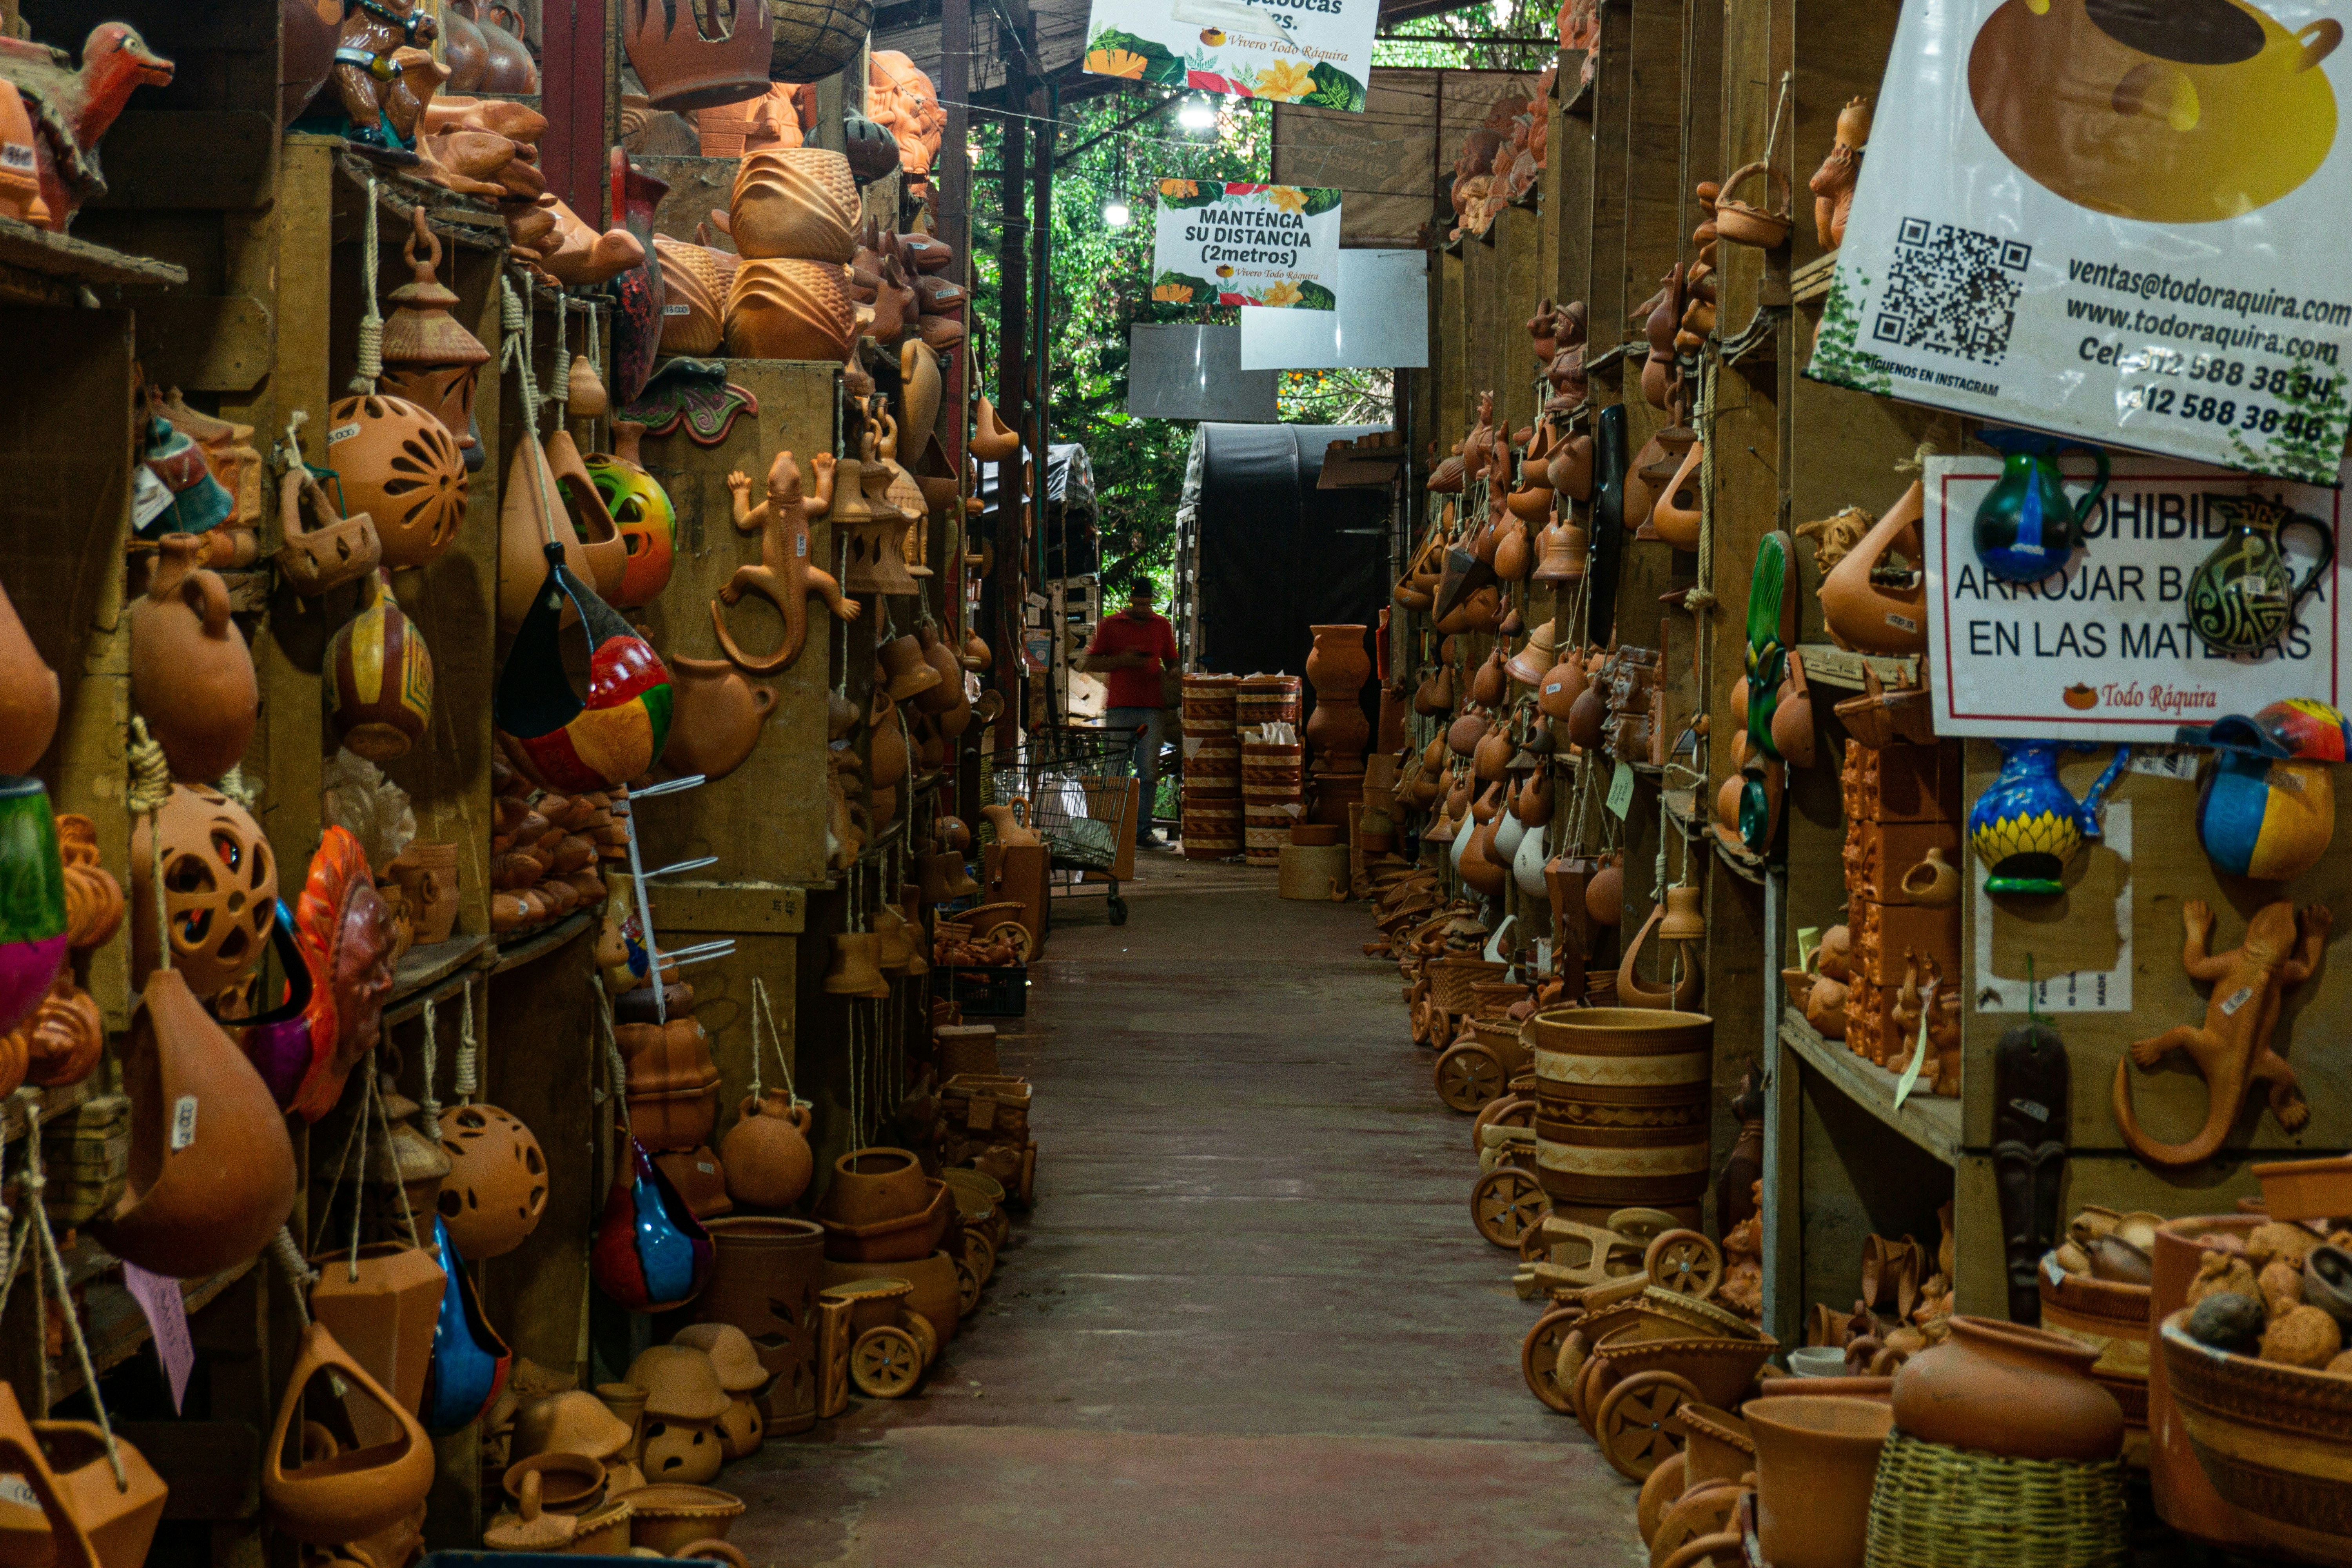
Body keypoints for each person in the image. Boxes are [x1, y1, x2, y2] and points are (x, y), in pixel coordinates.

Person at [1081, 582, 1178, 848]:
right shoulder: (1111, 625)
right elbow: (1092, 662)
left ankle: (1143, 832)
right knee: (1115, 770)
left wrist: (1173, 673)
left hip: (1152, 707)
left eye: (1147, 605)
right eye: (1138, 605)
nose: (1142, 610)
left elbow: (1172, 661)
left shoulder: (1162, 626)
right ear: (1131, 600)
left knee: (1148, 770)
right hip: (1120, 707)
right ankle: (1112, 831)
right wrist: (1123, 659)